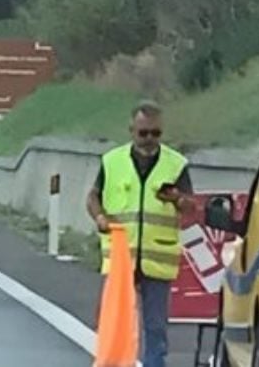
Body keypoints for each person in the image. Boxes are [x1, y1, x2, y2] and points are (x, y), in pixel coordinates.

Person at [87, 100, 195, 367]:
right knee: (115, 321)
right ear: (131, 130)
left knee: (155, 326)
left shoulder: (176, 164)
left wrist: (177, 199)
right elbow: (93, 196)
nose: (149, 139)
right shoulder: (112, 161)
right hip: (121, 256)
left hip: (157, 257)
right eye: (143, 133)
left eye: (155, 133)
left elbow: (191, 206)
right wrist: (100, 216)